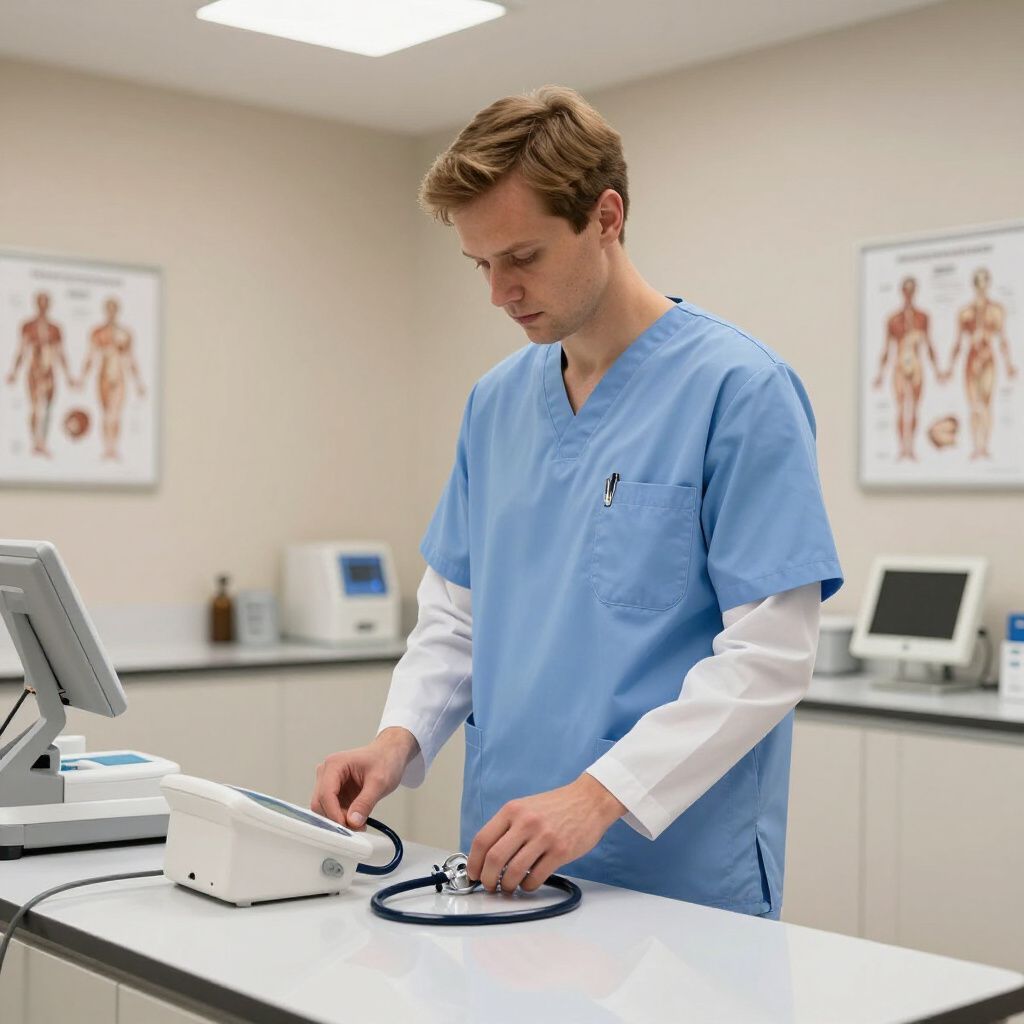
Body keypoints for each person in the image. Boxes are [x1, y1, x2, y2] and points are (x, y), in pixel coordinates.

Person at [311, 86, 843, 918]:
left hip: (676, 876)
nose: (499, 293)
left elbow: (770, 654)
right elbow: (458, 617)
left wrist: (598, 796)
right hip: (505, 860)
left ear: (605, 215)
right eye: (480, 265)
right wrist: (397, 739)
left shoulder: (739, 391)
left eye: (521, 258)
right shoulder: (495, 404)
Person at [7, 291, 74, 457]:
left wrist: (68, 376)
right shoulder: (28, 326)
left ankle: (42, 441)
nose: (43, 306)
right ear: (36, 304)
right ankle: (36, 442)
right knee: (36, 407)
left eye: (46, 302)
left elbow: (61, 353)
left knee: (49, 408)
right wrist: (14, 372)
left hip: (50, 371)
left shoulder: (55, 329)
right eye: (40, 302)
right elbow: (22, 350)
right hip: (35, 371)